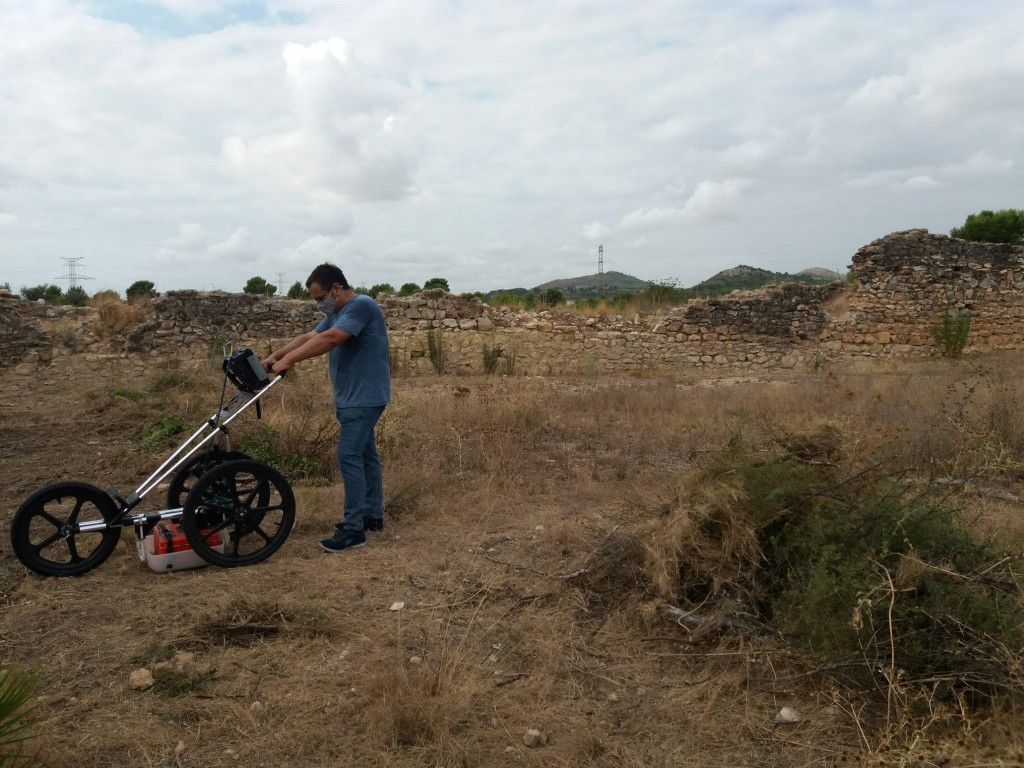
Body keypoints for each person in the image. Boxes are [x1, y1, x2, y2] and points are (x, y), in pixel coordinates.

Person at [262, 263, 391, 553]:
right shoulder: (338, 312)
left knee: (348, 456)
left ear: (336, 288)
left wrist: (288, 362)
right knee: (365, 456)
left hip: (363, 398)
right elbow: (311, 337)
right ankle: (372, 516)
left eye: (320, 297)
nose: (319, 304)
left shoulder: (361, 306)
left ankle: (353, 529)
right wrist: (276, 355)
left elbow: (330, 340)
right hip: (352, 397)